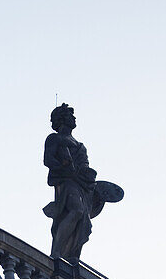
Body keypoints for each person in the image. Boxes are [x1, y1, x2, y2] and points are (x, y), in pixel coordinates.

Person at [43, 104, 123, 263]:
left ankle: (72, 255)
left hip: (82, 184)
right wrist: (63, 165)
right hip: (66, 181)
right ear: (63, 118)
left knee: (83, 221)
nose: (74, 119)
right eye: (71, 116)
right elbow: (48, 159)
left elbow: (84, 165)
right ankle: (56, 251)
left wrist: (88, 175)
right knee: (77, 211)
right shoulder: (55, 138)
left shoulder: (80, 146)